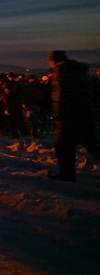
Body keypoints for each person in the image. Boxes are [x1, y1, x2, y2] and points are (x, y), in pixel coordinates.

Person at [46, 50, 100, 182]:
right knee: (92, 145)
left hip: (68, 117)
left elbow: (61, 95)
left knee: (62, 146)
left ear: (54, 60)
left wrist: (59, 114)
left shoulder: (61, 70)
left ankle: (67, 174)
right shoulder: (80, 72)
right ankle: (67, 174)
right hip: (84, 115)